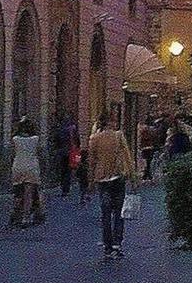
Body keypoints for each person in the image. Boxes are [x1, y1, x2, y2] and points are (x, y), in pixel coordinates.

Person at [86, 109, 137, 259]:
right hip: (118, 176)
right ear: (111, 122)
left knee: (105, 213)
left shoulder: (94, 138)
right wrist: (133, 178)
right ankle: (117, 243)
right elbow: (127, 156)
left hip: (102, 179)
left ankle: (107, 246)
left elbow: (91, 162)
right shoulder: (118, 136)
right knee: (119, 212)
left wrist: (90, 183)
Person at [9, 117, 46, 227]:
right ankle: (26, 217)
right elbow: (39, 153)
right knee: (28, 193)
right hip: (32, 167)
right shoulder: (36, 139)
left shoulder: (15, 139)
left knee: (18, 193)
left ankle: (15, 213)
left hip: (18, 166)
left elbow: (12, 154)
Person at [54, 115, 76, 198]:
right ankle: (66, 188)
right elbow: (77, 141)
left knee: (63, 170)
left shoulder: (59, 130)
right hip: (70, 152)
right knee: (68, 171)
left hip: (62, 152)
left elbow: (56, 141)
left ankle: (63, 187)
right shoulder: (72, 129)